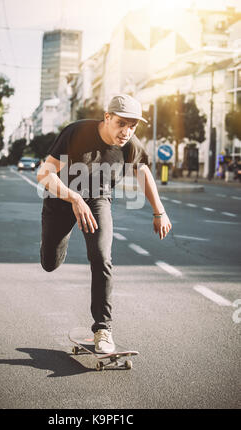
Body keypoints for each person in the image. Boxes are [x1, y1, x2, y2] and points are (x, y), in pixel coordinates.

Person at [37, 94, 172, 353]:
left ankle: (102, 328)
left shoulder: (130, 144)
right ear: (107, 117)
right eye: (121, 123)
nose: (127, 131)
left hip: (98, 200)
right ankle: (53, 245)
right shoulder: (77, 132)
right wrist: (74, 198)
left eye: (133, 126)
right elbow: (45, 173)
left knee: (101, 257)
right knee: (49, 264)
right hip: (62, 199)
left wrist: (159, 211)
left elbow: (142, 171)